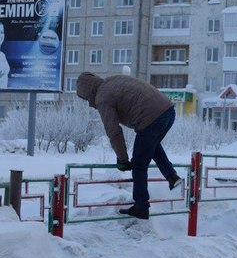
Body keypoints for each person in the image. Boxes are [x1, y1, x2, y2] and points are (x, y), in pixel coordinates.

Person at [76, 72, 182, 220]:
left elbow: (113, 131)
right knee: (151, 146)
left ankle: (141, 207)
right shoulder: (113, 80)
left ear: (87, 92)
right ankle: (172, 176)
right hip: (168, 111)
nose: (87, 102)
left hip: (150, 117)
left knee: (138, 164)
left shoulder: (102, 98)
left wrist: (123, 159)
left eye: (85, 98)